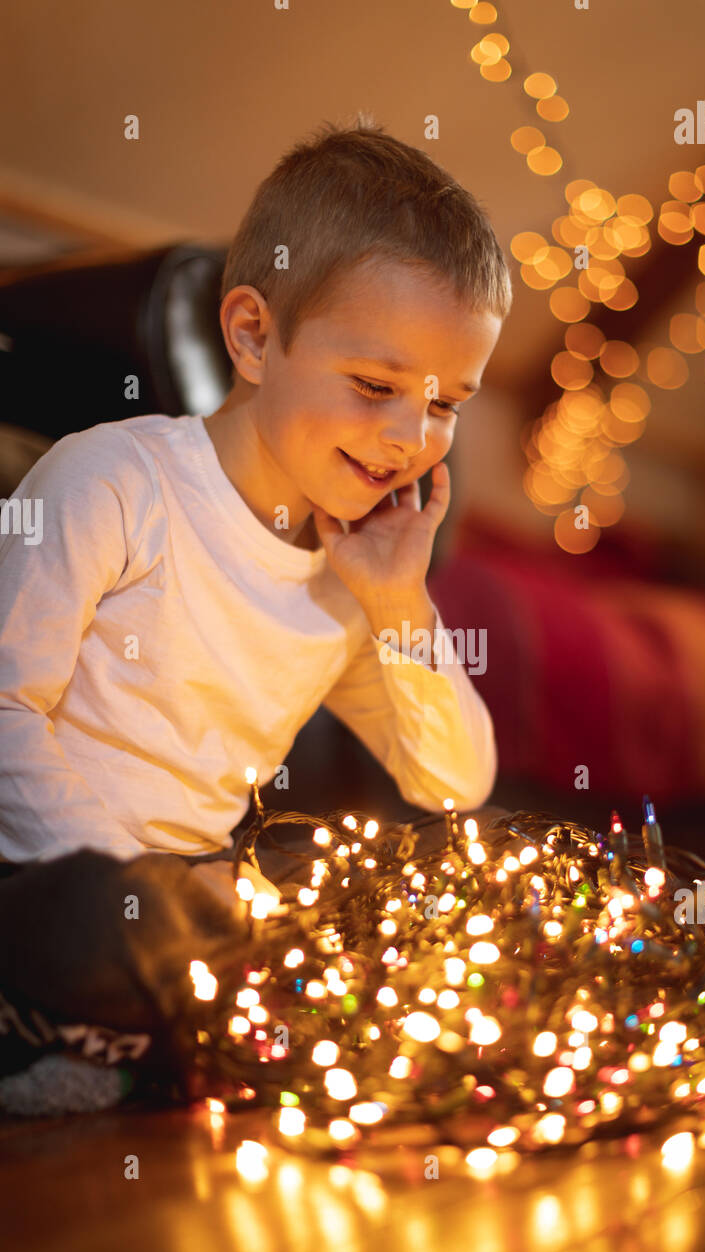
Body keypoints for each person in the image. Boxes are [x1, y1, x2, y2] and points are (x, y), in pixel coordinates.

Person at [0, 115, 512, 1090]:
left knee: (402, 914)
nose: (410, 434)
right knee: (99, 926)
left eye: (446, 402)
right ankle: (116, 1046)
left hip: (191, 923)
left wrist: (396, 600)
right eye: (375, 384)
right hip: (47, 887)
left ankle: (124, 1052)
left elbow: (453, 780)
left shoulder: (351, 571)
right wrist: (142, 894)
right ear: (251, 336)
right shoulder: (115, 479)